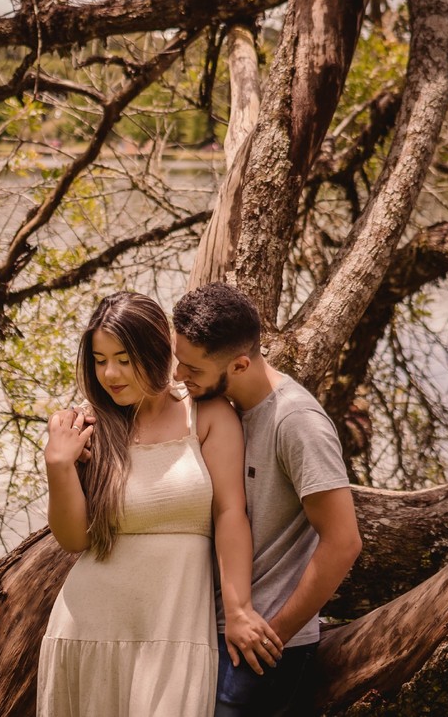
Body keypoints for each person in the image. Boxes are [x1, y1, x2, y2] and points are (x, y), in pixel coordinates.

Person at [38, 291, 279, 717]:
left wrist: (240, 609)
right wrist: (58, 465)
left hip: (175, 631)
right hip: (87, 629)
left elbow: (230, 514)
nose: (110, 373)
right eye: (99, 359)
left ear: (156, 350)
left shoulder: (205, 415)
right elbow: (75, 539)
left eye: (124, 359)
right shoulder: (87, 425)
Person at [172, 282, 362, 717]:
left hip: (257, 647)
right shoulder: (225, 404)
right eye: (178, 360)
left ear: (239, 364)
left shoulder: (296, 423)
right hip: (209, 629)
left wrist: (273, 635)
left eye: (192, 369)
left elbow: (344, 541)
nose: (180, 376)